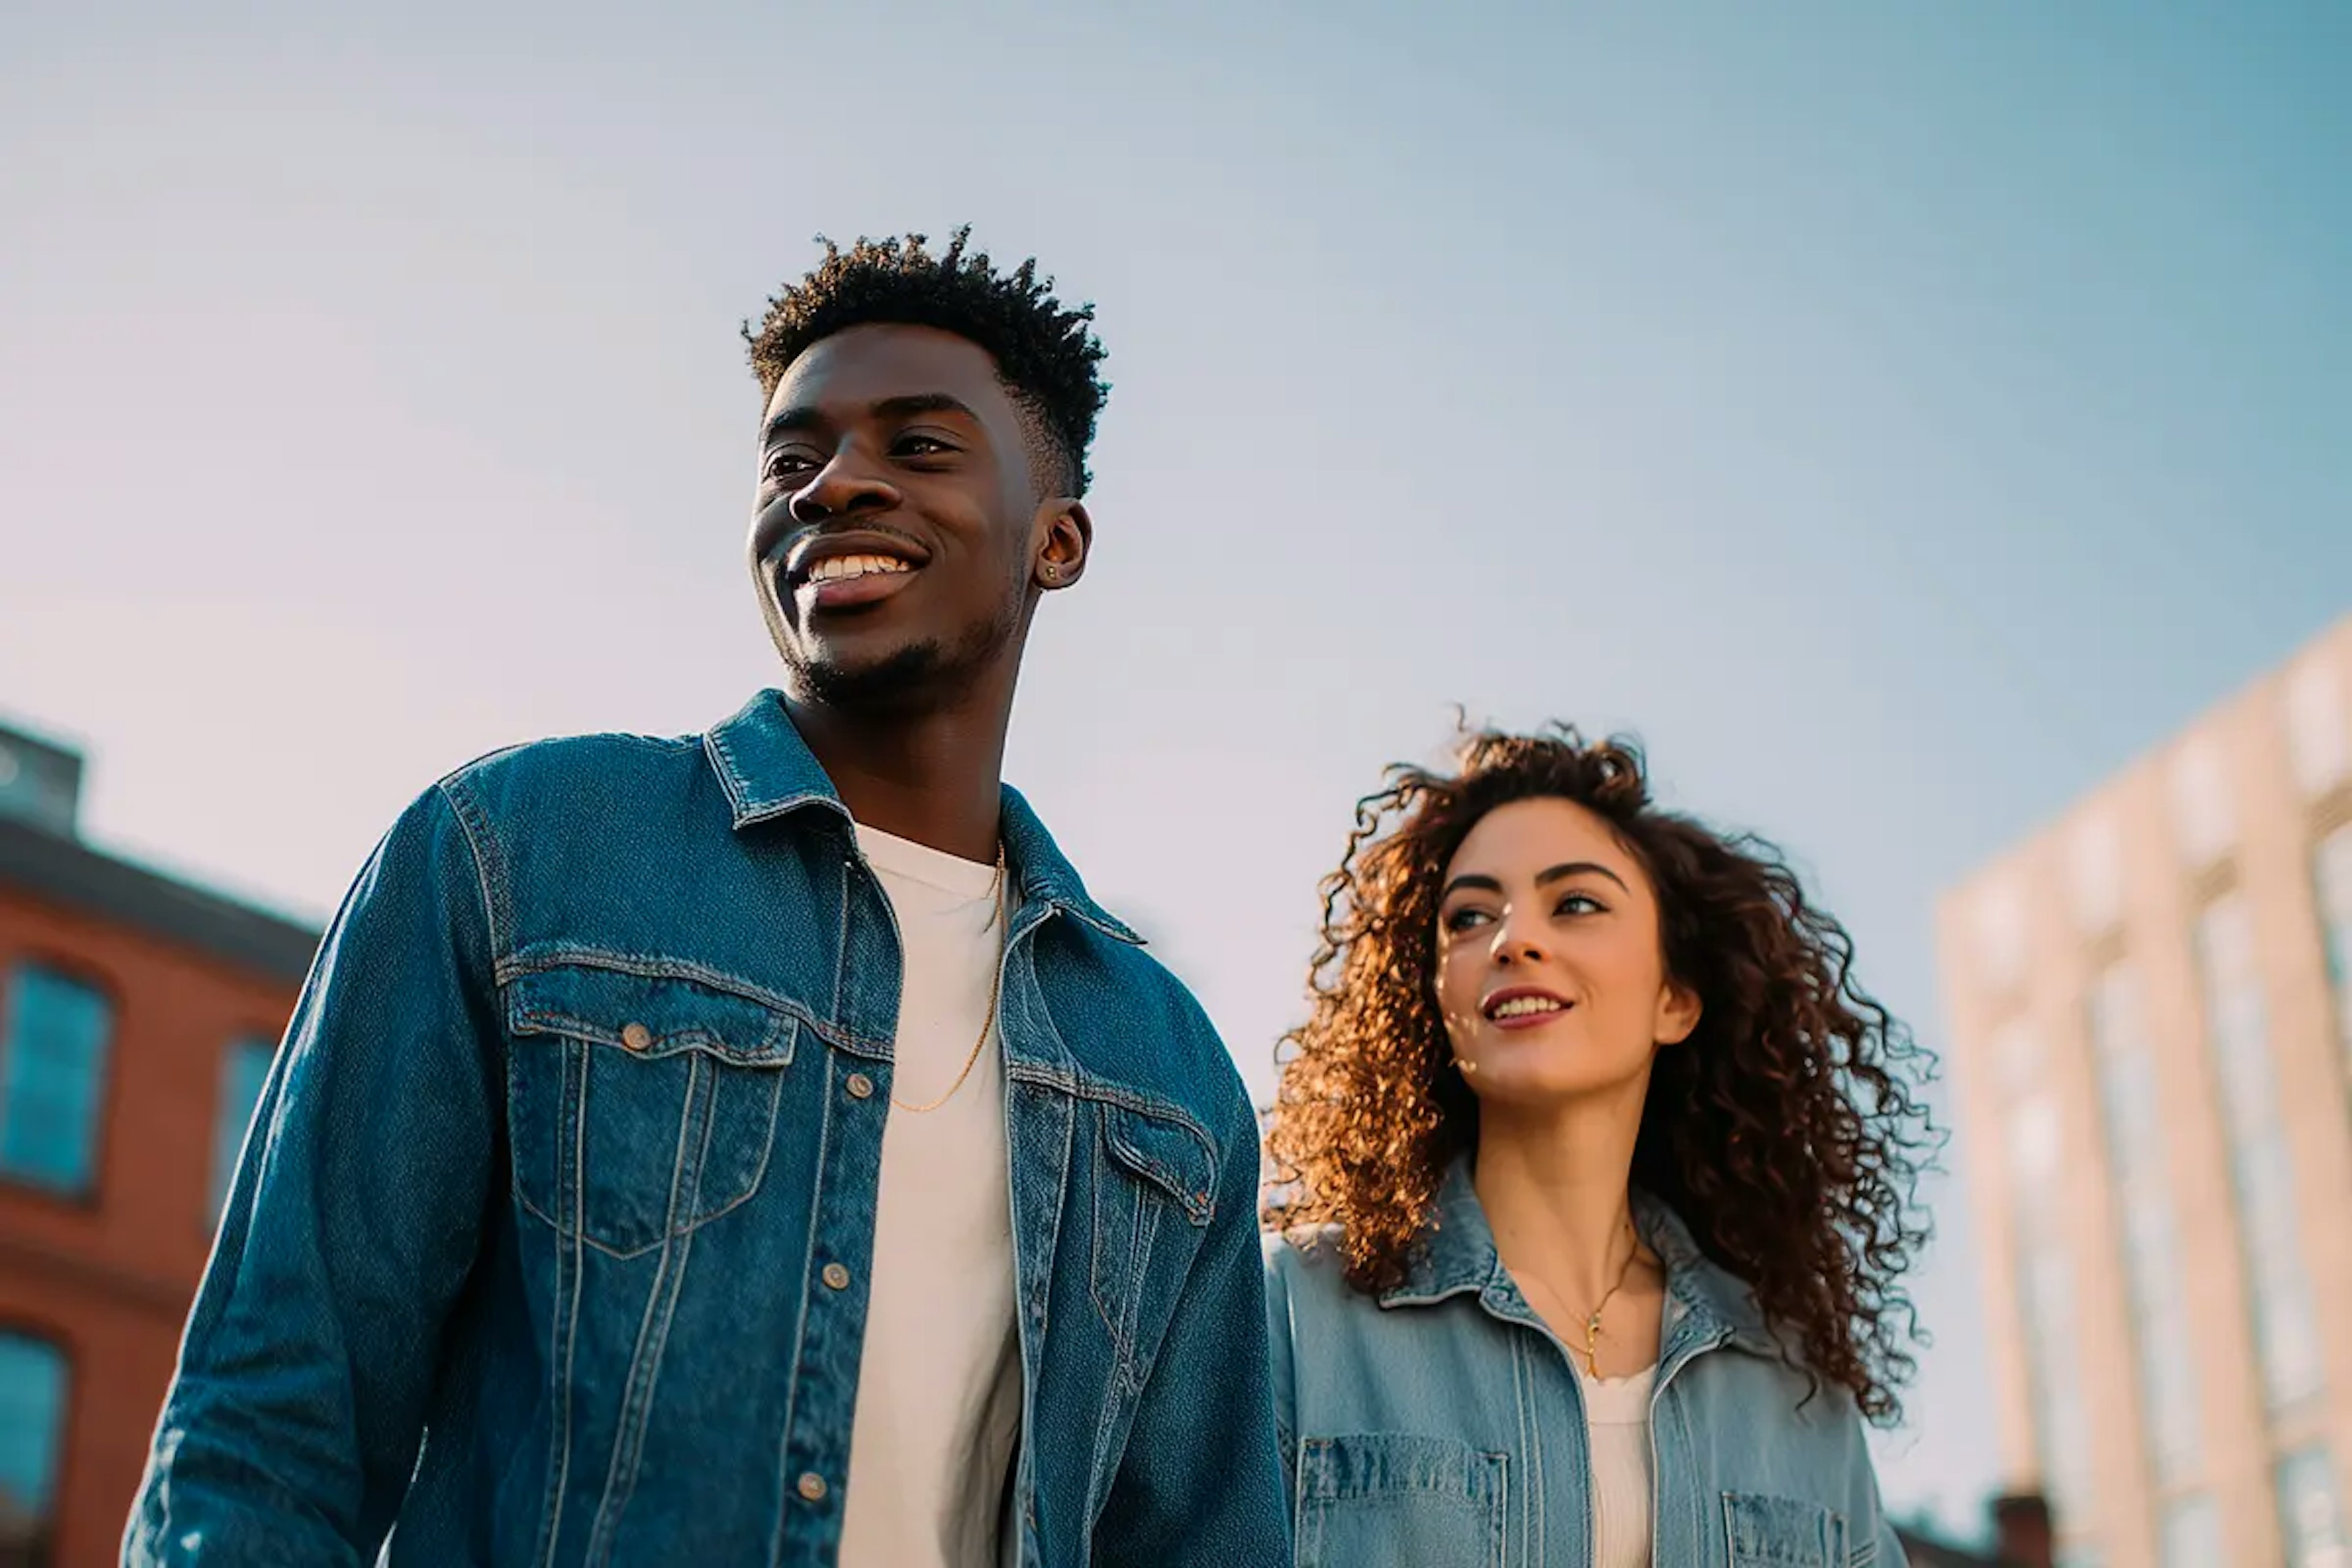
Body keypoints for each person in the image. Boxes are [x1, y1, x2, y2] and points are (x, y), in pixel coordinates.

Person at [127, 229, 1288, 1567]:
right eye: (792, 461)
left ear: (1058, 540)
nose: (833, 485)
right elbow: (268, 1436)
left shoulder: (1168, 1075)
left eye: (919, 446)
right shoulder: (515, 855)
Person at [1261, 726, 1932, 1567]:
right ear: (1430, 996)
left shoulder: (1795, 1385)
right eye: (1469, 917)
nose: (1512, 940)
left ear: (1675, 999)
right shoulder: (1296, 1313)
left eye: (1575, 903)